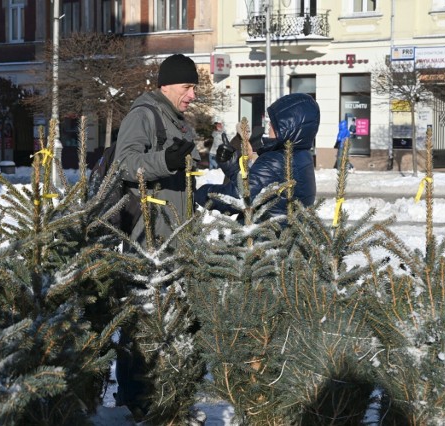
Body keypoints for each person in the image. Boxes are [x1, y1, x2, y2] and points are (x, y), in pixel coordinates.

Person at [113, 53, 201, 420]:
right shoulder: (144, 115)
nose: (193, 95)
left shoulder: (179, 122)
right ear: (166, 85)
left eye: (194, 88)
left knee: (173, 323)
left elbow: (180, 178)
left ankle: (169, 393)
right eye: (187, 87)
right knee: (142, 320)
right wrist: (165, 161)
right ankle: (136, 399)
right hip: (147, 238)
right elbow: (124, 163)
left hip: (176, 236)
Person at [195, 93, 319, 220]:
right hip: (285, 235)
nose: (269, 126)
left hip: (264, 236)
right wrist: (232, 167)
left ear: (286, 127)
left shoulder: (275, 160)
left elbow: (239, 198)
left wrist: (200, 192)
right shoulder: (302, 155)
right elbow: (254, 187)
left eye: (273, 123)